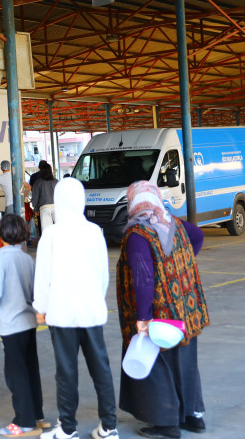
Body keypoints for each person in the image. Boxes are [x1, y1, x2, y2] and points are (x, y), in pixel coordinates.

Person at [117, 181, 210, 439]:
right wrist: (181, 264)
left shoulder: (138, 233)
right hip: (184, 309)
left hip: (157, 313)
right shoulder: (173, 224)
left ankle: (166, 422)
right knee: (185, 361)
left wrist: (143, 318)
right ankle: (193, 416)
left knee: (157, 365)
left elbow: (143, 278)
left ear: (133, 201)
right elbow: (198, 236)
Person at [34, 177, 117, 439]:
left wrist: (41, 306)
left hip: (62, 313)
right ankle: (109, 427)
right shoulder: (95, 231)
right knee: (101, 369)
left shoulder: (51, 234)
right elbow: (103, 274)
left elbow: (43, 275)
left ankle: (68, 428)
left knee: (66, 373)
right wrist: (94, 299)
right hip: (91, 312)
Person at [0, 215, 47, 437]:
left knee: (16, 374)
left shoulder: (1, 258)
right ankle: (37, 415)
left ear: (1, 234)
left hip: (11, 325)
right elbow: (35, 292)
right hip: (29, 322)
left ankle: (24, 421)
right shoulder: (27, 259)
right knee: (30, 369)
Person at [31, 162, 57, 240]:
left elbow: (35, 196)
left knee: (46, 231)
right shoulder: (56, 182)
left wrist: (35, 209)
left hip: (44, 208)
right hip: (56, 207)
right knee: (58, 228)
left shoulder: (38, 182)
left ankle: (48, 247)